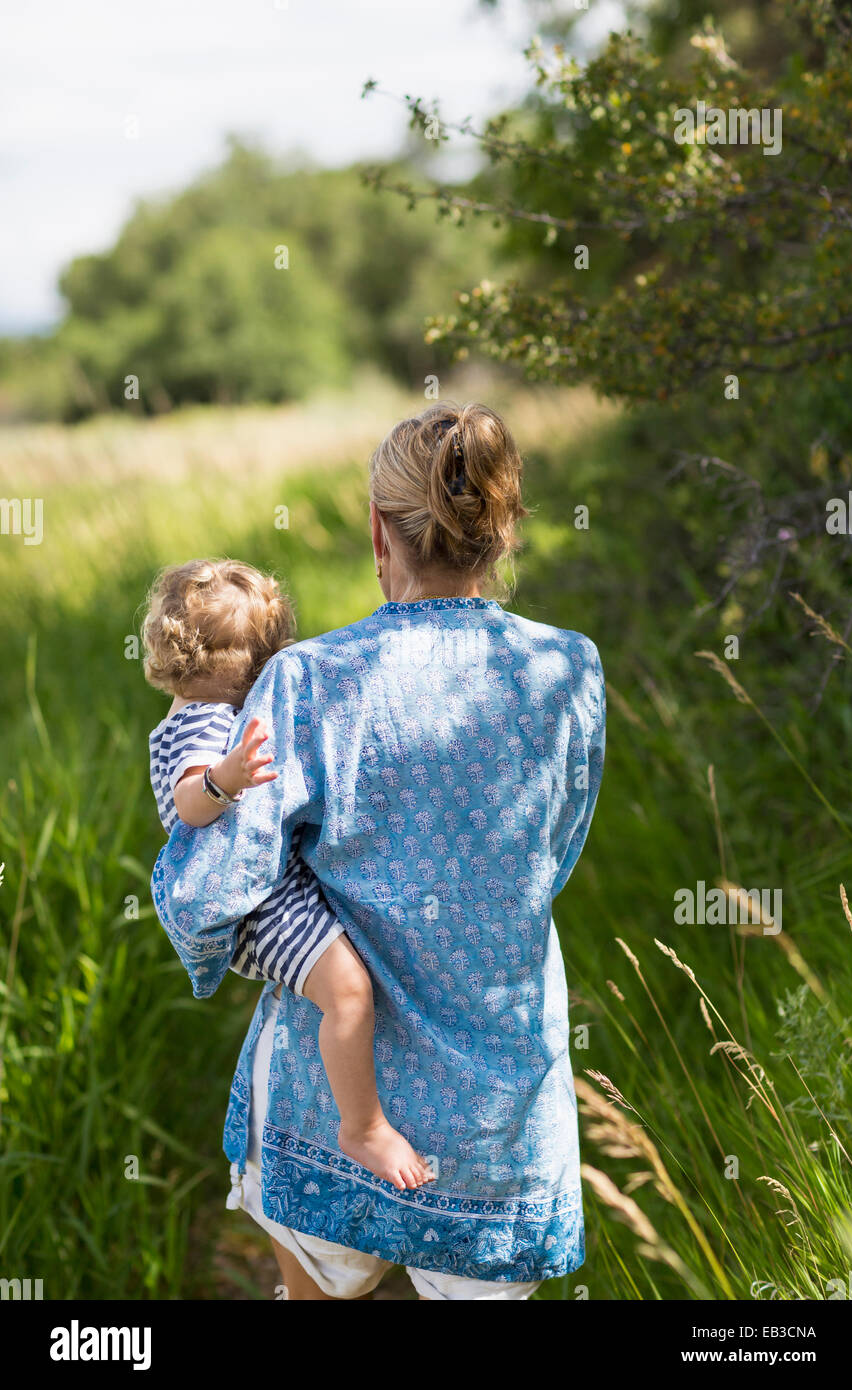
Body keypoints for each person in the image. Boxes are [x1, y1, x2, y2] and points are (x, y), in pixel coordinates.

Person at [151, 401, 606, 1300]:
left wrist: (207, 933)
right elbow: (553, 852)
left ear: (376, 531)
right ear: (503, 530)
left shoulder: (310, 679)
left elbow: (214, 886)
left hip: (326, 1115)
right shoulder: (568, 669)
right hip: (501, 1119)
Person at [143, 558, 433, 1190]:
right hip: (254, 903)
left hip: (268, 883)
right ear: (197, 662)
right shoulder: (201, 722)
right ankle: (362, 1128)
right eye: (245, 656)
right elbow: (192, 800)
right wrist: (229, 777)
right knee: (348, 992)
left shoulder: (214, 712)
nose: (255, 668)